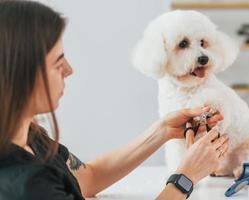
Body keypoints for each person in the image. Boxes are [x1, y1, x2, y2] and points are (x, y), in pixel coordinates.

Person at [0, 1, 229, 200]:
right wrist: (185, 178)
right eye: (59, 63)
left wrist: (163, 130)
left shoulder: (30, 136)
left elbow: (88, 178)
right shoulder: (26, 187)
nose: (69, 70)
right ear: (20, 73)